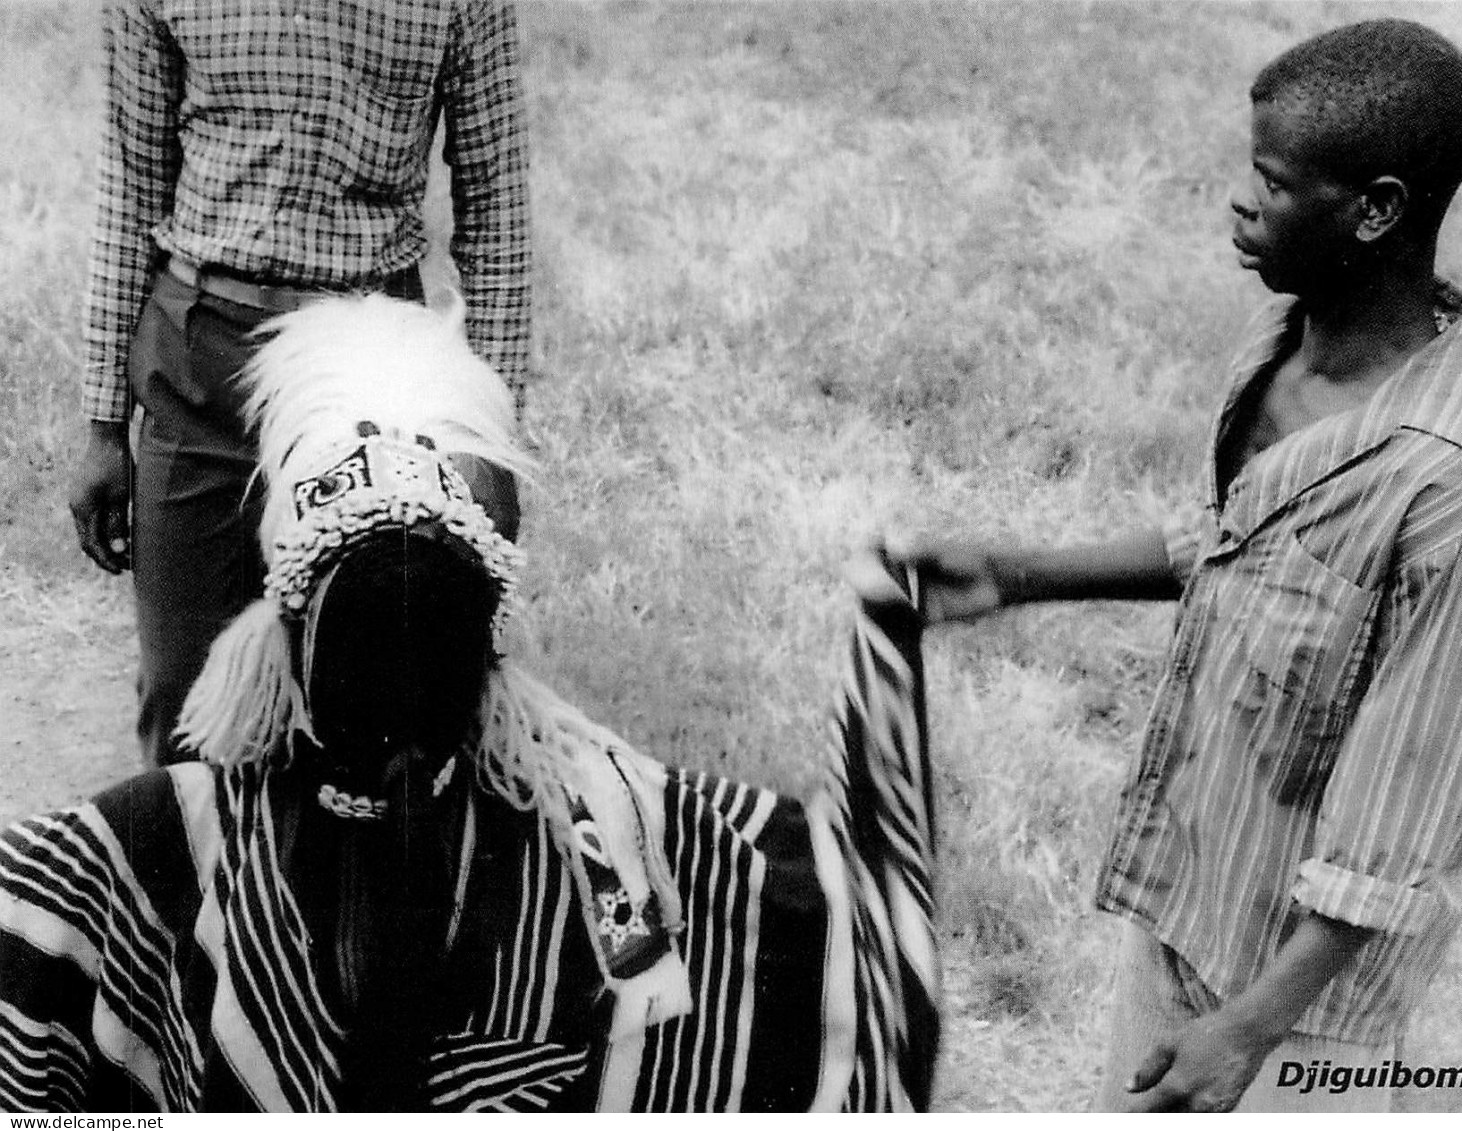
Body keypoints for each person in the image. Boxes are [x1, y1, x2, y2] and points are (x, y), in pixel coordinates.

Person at [0, 295, 941, 1112]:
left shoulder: (127, 861)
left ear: (270, 648)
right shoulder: (633, 839)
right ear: (493, 657)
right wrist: (886, 658)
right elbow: (851, 926)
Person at [879, 18, 1462, 1113]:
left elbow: (1397, 837)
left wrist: (1242, 1033)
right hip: (1186, 908)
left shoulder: (1452, 505)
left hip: (1297, 1018)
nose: (1239, 200)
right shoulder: (1278, 356)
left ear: (1373, 209)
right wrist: (1019, 575)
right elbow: (1236, 548)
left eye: (1271, 184)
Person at [67, 0, 530, 767]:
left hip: (371, 379)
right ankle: (201, 885)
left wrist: (492, 442)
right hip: (200, 362)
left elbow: (498, 197)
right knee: (188, 707)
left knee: (376, 705)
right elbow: (131, 180)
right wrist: (102, 424)